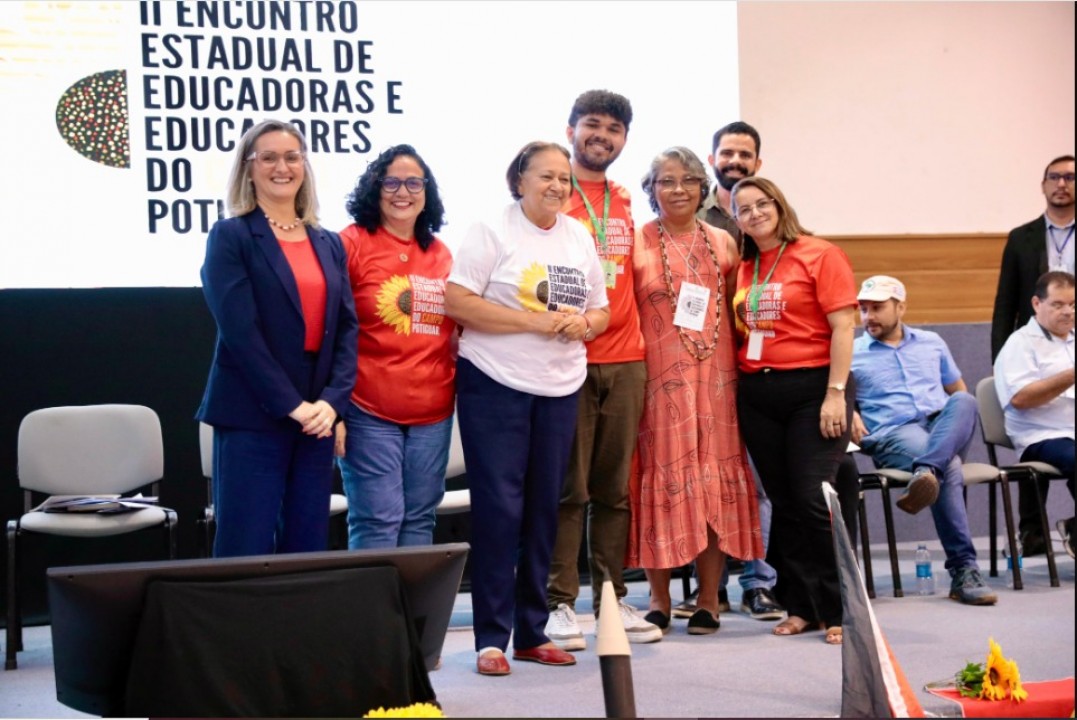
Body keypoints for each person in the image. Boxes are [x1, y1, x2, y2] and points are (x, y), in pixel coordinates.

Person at [445, 141, 611, 676]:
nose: (558, 187)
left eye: (565, 178)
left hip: (560, 386)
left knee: (545, 507)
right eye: (546, 176)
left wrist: (585, 325)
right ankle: (491, 638)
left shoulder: (579, 235)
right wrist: (533, 322)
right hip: (495, 382)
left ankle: (532, 632)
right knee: (499, 508)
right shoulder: (492, 229)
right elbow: (457, 301)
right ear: (519, 180)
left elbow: (601, 310)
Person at [196, 119, 358, 557]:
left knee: (306, 545)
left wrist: (331, 403)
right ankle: (237, 629)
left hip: (317, 416)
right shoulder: (230, 237)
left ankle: (298, 629)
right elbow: (240, 334)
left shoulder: (329, 243)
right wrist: (293, 406)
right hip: (253, 411)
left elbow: (346, 329)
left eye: (291, 156)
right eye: (267, 157)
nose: (281, 167)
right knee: (244, 543)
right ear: (249, 169)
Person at [626, 147, 762, 637]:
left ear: (703, 188)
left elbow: (741, 308)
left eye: (687, 180)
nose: (677, 189)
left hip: (717, 382)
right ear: (651, 189)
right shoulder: (636, 244)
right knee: (660, 482)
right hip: (657, 385)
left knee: (711, 484)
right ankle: (659, 600)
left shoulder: (725, 242)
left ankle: (709, 600)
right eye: (666, 180)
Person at [544, 90, 661, 650]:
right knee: (571, 490)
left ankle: (611, 599)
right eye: (593, 125)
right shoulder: (551, 193)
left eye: (614, 129)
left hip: (628, 359)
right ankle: (559, 604)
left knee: (615, 491)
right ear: (571, 130)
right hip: (568, 362)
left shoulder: (622, 198)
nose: (603, 136)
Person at [730, 176, 857, 645]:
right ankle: (800, 605)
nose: (755, 214)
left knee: (812, 497)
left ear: (779, 205)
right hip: (759, 393)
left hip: (814, 388)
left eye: (762, 204)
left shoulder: (820, 254)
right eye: (743, 209)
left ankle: (841, 606)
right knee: (783, 502)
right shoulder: (745, 267)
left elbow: (843, 326)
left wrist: (836, 392)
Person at [677, 120, 784, 623]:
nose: (736, 160)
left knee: (757, 481)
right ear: (713, 158)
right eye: (728, 152)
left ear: (757, 163)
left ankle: (760, 583)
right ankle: (708, 591)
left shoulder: (771, 219)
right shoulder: (695, 221)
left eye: (746, 154)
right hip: (703, 367)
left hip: (762, 368)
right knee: (703, 480)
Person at [334, 144, 456, 549]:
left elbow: (454, 331)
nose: (402, 191)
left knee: (419, 521)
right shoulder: (350, 244)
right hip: (367, 409)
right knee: (377, 520)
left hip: (433, 412)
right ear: (375, 188)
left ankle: (412, 615)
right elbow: (329, 328)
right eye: (391, 181)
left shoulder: (440, 253)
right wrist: (333, 410)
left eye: (413, 183)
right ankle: (372, 614)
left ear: (427, 191)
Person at [850, 275, 998, 604]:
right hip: (894, 432)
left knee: (965, 401)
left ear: (901, 307)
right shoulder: (851, 351)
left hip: (938, 427)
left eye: (877, 308)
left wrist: (949, 428)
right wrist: (850, 412)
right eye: (863, 309)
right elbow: (834, 396)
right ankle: (963, 570)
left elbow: (957, 390)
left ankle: (927, 470)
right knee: (953, 467)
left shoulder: (932, 341)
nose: (868, 316)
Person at [991, 156, 1075, 555]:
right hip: (1039, 410)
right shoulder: (1021, 237)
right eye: (1055, 177)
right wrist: (1000, 364)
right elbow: (1004, 302)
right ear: (1043, 185)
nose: (1063, 183)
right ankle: (1033, 531)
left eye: (1071, 177)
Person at [994, 271, 1075, 560]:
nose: (1068, 311)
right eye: (1058, 304)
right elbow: (1021, 398)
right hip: (1041, 436)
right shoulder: (1021, 343)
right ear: (1036, 303)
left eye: (1073, 304)